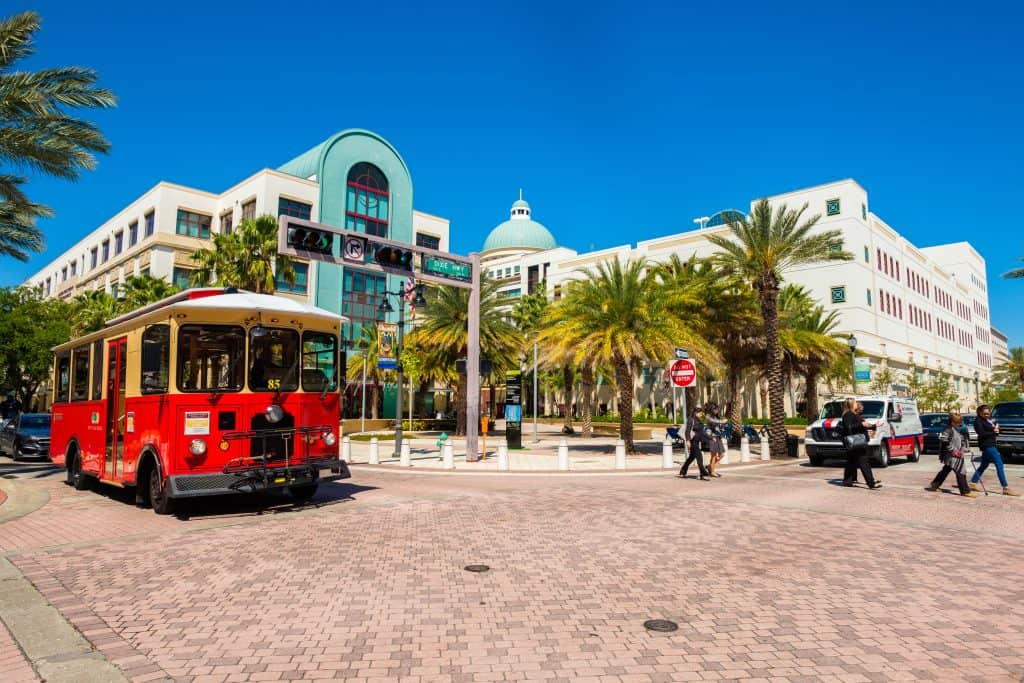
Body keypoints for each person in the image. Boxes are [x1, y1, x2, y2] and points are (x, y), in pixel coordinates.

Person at [970, 404, 1019, 496]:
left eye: (988, 413)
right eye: (985, 413)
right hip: (987, 445)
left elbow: (993, 431)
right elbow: (981, 433)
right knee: (999, 464)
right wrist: (993, 431)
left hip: (991, 444)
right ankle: (1005, 488)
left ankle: (972, 483)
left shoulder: (987, 420)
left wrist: (997, 430)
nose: (987, 415)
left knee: (984, 465)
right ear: (979, 413)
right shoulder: (978, 421)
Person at [928, 411, 976, 497]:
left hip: (957, 453)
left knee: (946, 470)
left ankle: (935, 484)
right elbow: (944, 441)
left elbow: (962, 440)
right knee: (961, 471)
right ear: (952, 422)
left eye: (960, 422)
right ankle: (965, 491)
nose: (959, 424)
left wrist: (963, 449)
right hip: (951, 454)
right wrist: (953, 451)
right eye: (957, 423)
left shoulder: (958, 428)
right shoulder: (948, 429)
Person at [842, 399, 881, 489]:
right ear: (851, 404)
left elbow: (857, 425)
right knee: (864, 462)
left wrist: (874, 426)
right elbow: (848, 428)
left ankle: (847, 481)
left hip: (855, 443)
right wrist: (862, 425)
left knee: (851, 462)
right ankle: (871, 483)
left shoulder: (852, 414)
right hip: (856, 442)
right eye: (855, 403)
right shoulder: (848, 414)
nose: (857, 404)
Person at [678, 408, 709, 480]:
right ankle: (703, 473)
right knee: (699, 457)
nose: (701, 415)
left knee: (691, 458)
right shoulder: (691, 420)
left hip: (698, 441)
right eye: (700, 413)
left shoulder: (699, 420)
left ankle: (683, 471)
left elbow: (702, 432)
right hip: (693, 441)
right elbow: (687, 431)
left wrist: (710, 438)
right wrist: (688, 441)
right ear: (695, 413)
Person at [705, 403, 728, 478]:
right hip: (712, 437)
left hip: (718, 436)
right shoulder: (708, 416)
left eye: (717, 409)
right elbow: (713, 422)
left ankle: (709, 466)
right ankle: (712, 472)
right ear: (711, 409)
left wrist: (724, 424)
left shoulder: (716, 416)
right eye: (715, 409)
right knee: (713, 455)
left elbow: (719, 426)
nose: (717, 410)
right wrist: (722, 421)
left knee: (722, 454)